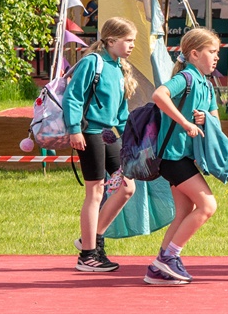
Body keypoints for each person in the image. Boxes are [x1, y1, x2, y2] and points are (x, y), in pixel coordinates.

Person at [146, 27, 223, 286]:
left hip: (185, 158)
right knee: (207, 206)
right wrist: (185, 123)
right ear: (193, 54)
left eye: (217, 53)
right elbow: (159, 95)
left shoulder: (207, 85)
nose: (216, 58)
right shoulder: (187, 78)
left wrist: (204, 120)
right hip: (172, 156)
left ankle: (158, 268)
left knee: (184, 211)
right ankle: (169, 258)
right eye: (211, 52)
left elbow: (216, 124)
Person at [64, 16, 138, 273]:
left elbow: (121, 110)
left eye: (133, 41)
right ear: (110, 40)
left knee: (127, 187)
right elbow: (72, 97)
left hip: (109, 135)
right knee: (95, 192)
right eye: (127, 40)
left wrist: (130, 134)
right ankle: (87, 255)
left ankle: (92, 239)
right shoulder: (92, 63)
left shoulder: (119, 68)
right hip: (90, 133)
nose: (131, 46)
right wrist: (74, 130)